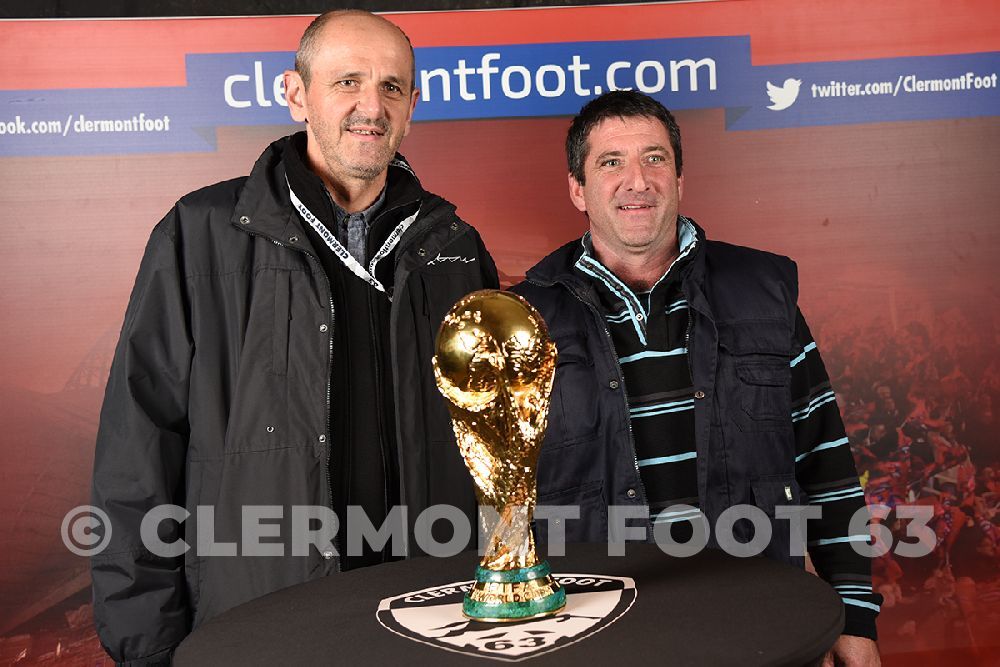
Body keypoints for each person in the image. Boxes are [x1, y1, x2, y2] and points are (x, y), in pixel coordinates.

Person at [91, 10, 497, 665]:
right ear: (296, 93)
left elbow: (493, 449)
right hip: (262, 628)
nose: (373, 106)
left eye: (393, 87)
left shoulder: (456, 250)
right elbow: (137, 453)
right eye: (348, 82)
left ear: (413, 105)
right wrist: (148, 645)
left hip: (432, 620)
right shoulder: (200, 235)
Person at [512, 91, 881, 664]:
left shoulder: (764, 293)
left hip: (760, 627)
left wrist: (854, 619)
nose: (637, 181)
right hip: (598, 641)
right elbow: (503, 504)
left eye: (654, 159)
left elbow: (827, 468)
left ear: (680, 178)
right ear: (577, 189)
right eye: (611, 163)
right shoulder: (523, 320)